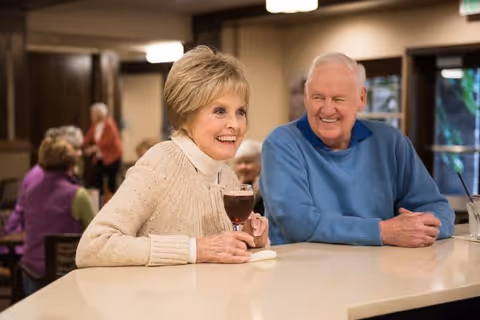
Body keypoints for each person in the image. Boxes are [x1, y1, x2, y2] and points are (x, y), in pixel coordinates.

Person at [76, 46, 269, 268]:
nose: (235, 124)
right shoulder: (161, 163)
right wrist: (193, 249)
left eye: (240, 112)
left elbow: (219, 255)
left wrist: (251, 239)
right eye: (219, 111)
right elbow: (92, 247)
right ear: (185, 115)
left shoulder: (225, 174)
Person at [260, 52, 454, 248]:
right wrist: (384, 231)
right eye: (318, 97)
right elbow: (297, 223)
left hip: (382, 272)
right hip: (304, 274)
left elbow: (437, 208)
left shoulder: (391, 142)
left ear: (361, 98)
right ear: (306, 97)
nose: (327, 110)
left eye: (338, 99)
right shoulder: (281, 143)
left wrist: (421, 228)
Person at [21, 136, 95, 296]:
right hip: (66, 275)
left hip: (31, 272)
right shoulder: (77, 195)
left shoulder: (30, 192)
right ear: (71, 163)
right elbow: (95, 235)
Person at [3, 126, 84, 242]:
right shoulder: (42, 177)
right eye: (75, 148)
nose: (79, 153)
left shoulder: (57, 174)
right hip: (24, 242)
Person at [83, 102, 123, 198]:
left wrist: (93, 149)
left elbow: (108, 141)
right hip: (101, 157)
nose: (91, 115)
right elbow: (88, 138)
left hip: (112, 157)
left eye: (93, 113)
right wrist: (80, 144)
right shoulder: (95, 125)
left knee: (111, 183)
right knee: (96, 181)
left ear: (99, 114)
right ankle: (98, 202)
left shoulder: (109, 124)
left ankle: (111, 201)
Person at [232, 139, 264, 215]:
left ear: (260, 164)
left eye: (247, 162)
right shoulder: (231, 185)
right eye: (239, 163)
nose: (242, 167)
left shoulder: (266, 188)